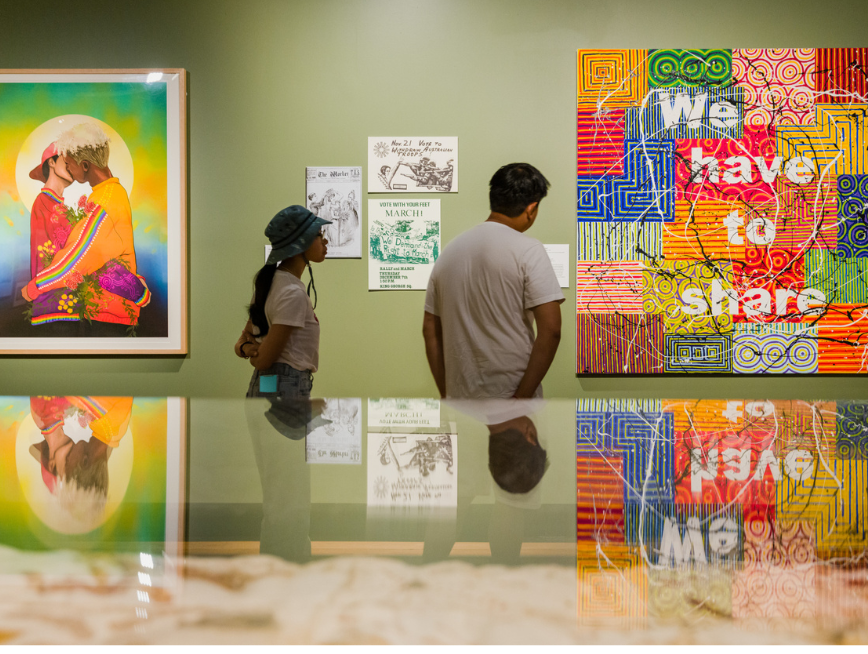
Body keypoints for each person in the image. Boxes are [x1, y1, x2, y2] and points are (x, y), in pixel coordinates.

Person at [423, 163, 563, 399]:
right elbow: (551, 330)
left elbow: (430, 330)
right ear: (532, 208)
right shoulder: (529, 249)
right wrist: (521, 399)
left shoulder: (450, 251)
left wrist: (447, 395)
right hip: (511, 395)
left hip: (463, 403)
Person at [21, 123, 150, 335]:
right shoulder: (113, 192)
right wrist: (137, 287)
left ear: (85, 165)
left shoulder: (104, 200)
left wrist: (34, 286)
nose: (69, 168)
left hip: (108, 311)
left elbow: (79, 258)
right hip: (103, 307)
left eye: (70, 163)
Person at [235, 205, 331, 399]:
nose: (325, 240)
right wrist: (253, 356)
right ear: (301, 244)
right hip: (284, 390)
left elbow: (243, 340)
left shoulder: (271, 283)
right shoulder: (292, 292)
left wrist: (245, 348)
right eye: (318, 235)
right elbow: (263, 361)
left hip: (269, 386)